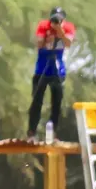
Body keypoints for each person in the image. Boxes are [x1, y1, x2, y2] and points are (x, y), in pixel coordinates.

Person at [27, 7, 76, 140]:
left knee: (57, 101)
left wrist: (60, 31)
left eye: (59, 19)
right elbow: (39, 44)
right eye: (54, 18)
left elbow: (68, 43)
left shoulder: (69, 27)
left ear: (63, 20)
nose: (56, 21)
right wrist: (49, 35)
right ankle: (32, 132)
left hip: (57, 67)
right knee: (36, 100)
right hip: (42, 67)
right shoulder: (44, 26)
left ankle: (53, 132)